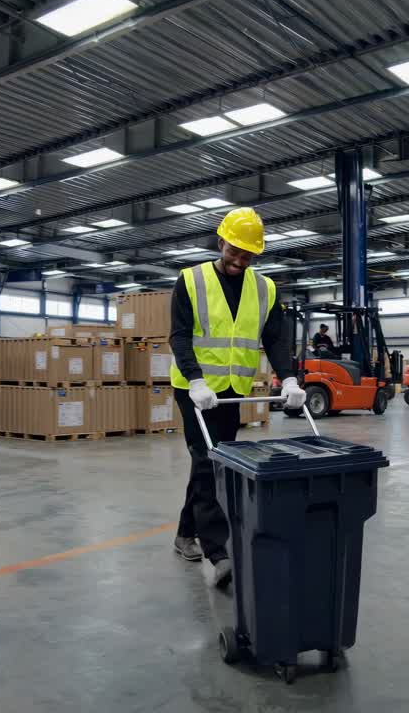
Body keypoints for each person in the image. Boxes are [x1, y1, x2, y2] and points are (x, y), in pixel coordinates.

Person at [168, 207, 306, 588]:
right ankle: (219, 551)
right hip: (194, 389)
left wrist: (289, 379)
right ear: (221, 242)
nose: (239, 261)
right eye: (234, 252)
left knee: (217, 461)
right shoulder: (190, 280)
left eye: (248, 256)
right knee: (207, 461)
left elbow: (275, 339)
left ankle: (184, 534)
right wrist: (195, 380)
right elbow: (179, 335)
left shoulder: (265, 289)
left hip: (231, 391)